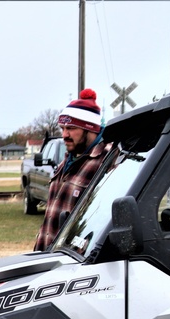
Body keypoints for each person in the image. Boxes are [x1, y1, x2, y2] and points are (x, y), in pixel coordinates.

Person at [33, 89, 112, 251]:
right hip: (48, 255)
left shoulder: (106, 160)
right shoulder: (70, 158)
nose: (64, 135)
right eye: (62, 128)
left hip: (73, 261)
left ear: (89, 128)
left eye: (71, 128)